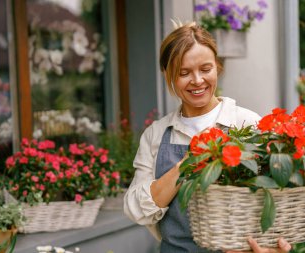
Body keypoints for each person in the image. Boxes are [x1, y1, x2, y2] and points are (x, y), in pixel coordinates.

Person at [123, 21, 292, 253]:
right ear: (167, 74)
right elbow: (136, 209)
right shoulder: (157, 134)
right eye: (184, 73)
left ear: (217, 67)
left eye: (205, 69)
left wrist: (269, 247)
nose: (197, 80)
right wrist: (187, 163)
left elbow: (277, 199)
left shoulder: (248, 123)